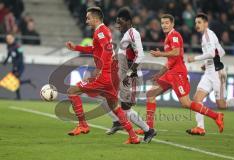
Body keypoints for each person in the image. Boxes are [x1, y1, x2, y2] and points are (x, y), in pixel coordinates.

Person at [135, 14, 224, 135]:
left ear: (172, 24)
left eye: (167, 23)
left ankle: (216, 116)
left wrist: (160, 54)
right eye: (162, 23)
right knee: (150, 94)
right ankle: (148, 129)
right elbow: (170, 61)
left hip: (178, 74)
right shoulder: (168, 38)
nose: (164, 25)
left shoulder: (175, 35)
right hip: (170, 73)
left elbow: (176, 53)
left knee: (186, 103)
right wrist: (159, 74)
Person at [65, 7, 140, 144]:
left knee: (72, 91)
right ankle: (133, 136)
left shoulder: (100, 31)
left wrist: (100, 70)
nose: (86, 21)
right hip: (111, 75)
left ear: (95, 18)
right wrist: (76, 47)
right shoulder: (102, 31)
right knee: (115, 107)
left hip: (105, 74)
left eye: (88, 18)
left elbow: (107, 50)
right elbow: (95, 49)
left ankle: (83, 125)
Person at [105, 7, 156, 143]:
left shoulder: (133, 33)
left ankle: (148, 130)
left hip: (131, 78)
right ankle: (120, 124)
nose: (118, 25)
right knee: (111, 101)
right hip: (124, 77)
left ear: (128, 21)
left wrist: (128, 73)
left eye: (120, 22)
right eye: (117, 22)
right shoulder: (126, 35)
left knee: (125, 108)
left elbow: (140, 55)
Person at [186, 13, 234, 136]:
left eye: (199, 22)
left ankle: (215, 118)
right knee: (196, 99)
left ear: (206, 23)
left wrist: (195, 58)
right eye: (196, 23)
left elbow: (211, 53)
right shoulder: (207, 35)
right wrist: (207, 64)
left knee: (222, 105)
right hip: (209, 72)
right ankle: (200, 128)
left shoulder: (208, 35)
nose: (197, 25)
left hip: (217, 73)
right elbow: (221, 52)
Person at [2, 34, 35, 99]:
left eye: (10, 38)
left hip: (20, 66)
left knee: (15, 81)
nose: (8, 40)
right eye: (7, 39)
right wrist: (5, 61)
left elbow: (21, 57)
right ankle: (27, 82)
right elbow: (9, 54)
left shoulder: (18, 46)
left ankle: (19, 96)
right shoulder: (8, 46)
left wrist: (17, 66)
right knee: (14, 81)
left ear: (13, 38)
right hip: (15, 66)